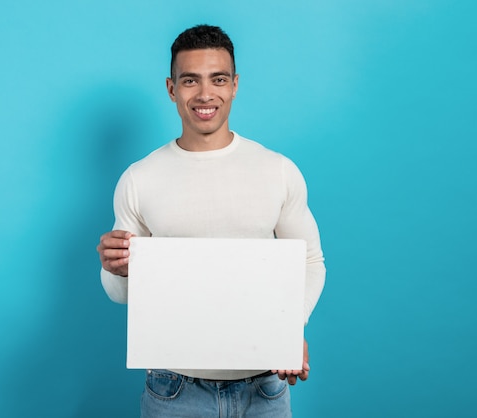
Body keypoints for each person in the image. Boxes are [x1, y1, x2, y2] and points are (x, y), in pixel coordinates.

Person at [96, 24, 325, 418]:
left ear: (235, 85)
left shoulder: (278, 170)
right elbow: (121, 293)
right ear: (171, 89)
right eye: (190, 81)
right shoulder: (140, 178)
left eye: (218, 79)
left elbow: (310, 262)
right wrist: (115, 267)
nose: (205, 94)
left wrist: (289, 330)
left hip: (263, 388)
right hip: (174, 390)